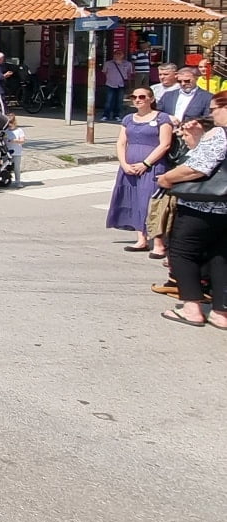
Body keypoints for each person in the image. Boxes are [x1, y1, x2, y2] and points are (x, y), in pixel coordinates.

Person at [157, 91, 227, 327]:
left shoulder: (220, 133)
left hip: (201, 206)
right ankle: (221, 312)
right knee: (220, 257)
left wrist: (167, 178)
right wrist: (198, 140)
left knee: (182, 253)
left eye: (214, 109)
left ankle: (191, 308)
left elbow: (198, 168)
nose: (211, 114)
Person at [105, 88, 174, 256]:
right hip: (129, 167)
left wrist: (146, 163)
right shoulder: (128, 119)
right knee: (134, 201)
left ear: (151, 99)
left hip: (153, 166)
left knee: (151, 203)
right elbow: (121, 143)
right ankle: (141, 239)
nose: (137, 99)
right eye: (134, 96)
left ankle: (158, 243)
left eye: (142, 96)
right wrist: (124, 163)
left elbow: (165, 144)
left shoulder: (161, 118)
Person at [101, 49, 133, 121]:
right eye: (116, 54)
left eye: (120, 54)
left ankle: (116, 115)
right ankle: (106, 115)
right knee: (109, 101)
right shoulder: (108, 63)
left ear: (123, 55)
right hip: (110, 84)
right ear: (114, 55)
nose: (118, 55)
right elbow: (104, 72)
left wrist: (129, 85)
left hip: (121, 85)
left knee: (119, 101)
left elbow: (129, 75)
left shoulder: (128, 64)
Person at [5, 113, 26, 189]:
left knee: (16, 167)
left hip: (16, 152)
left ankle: (18, 181)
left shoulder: (19, 130)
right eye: (9, 123)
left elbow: (22, 140)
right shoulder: (6, 131)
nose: (10, 125)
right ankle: (5, 178)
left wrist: (14, 141)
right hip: (7, 152)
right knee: (5, 166)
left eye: (11, 123)